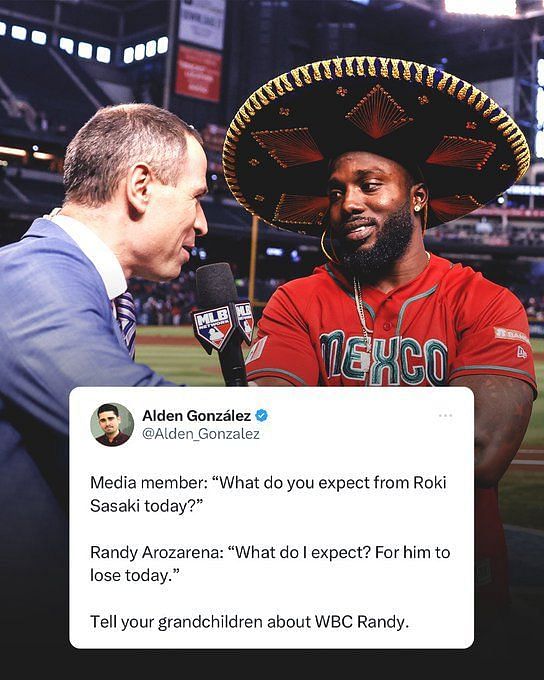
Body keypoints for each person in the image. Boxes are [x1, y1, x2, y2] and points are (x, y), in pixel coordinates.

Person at [223, 57, 537, 626]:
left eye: (370, 185)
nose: (349, 204)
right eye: (337, 191)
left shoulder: (485, 301)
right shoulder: (298, 301)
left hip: (458, 593)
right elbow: (261, 438)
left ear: (417, 197)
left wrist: (311, 433)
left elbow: (479, 452)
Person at [0, 103, 208, 646]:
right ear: (141, 186)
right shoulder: (31, 275)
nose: (203, 224)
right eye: (197, 198)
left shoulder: (80, 283)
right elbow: (124, 419)